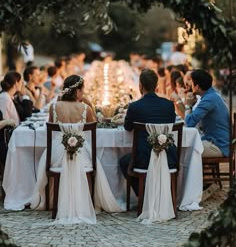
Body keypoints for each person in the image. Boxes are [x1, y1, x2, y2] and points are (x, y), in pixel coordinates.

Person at [30, 74, 124, 215]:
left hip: (57, 153)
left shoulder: (54, 107)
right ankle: (87, 201)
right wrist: (89, 104)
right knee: (95, 161)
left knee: (46, 158)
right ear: (78, 91)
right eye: (83, 90)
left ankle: (52, 201)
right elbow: (95, 126)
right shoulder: (85, 109)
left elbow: (51, 125)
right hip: (80, 152)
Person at [119, 68, 176, 196]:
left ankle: (143, 195)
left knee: (124, 162)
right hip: (168, 155)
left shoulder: (134, 106)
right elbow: (171, 124)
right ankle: (162, 195)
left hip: (143, 158)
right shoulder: (169, 105)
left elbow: (127, 127)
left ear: (140, 86)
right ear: (156, 86)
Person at [184, 69, 230, 157]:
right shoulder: (212, 95)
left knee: (184, 149)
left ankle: (189, 171)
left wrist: (188, 105)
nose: (190, 84)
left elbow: (189, 123)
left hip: (218, 145)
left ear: (197, 86)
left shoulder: (209, 99)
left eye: (191, 81)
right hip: (218, 141)